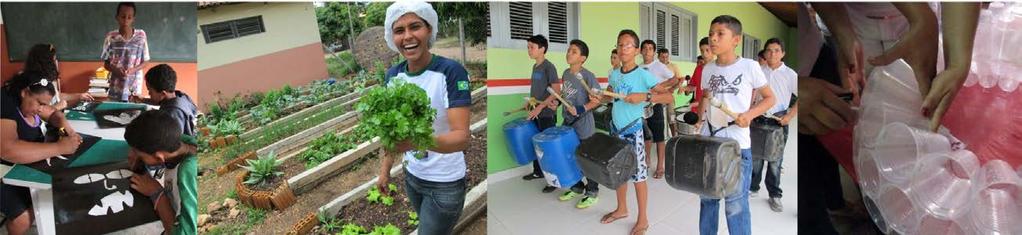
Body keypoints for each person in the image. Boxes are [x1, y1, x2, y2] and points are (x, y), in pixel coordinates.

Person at [375, 1, 472, 234]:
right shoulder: (393, 75)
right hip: (412, 177)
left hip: (445, 184)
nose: (407, 36)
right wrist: (385, 171)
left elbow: (462, 138)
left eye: (415, 26)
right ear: (392, 37)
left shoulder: (450, 72)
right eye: (399, 30)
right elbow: (391, 133)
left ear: (429, 29)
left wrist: (416, 142)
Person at [696, 15, 776, 235]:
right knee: (707, 198)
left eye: (720, 34)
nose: (713, 38)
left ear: (736, 40)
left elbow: (770, 98)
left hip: (737, 145)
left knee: (736, 204)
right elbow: (706, 96)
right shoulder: (708, 68)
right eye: (711, 33)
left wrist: (749, 115)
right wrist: (701, 120)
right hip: (710, 141)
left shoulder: (749, 66)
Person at [598, 29, 676, 235]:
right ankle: (622, 209)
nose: (622, 49)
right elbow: (613, 97)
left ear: (637, 51)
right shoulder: (614, 73)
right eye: (619, 44)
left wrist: (645, 97)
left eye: (627, 45)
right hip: (615, 130)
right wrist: (601, 97)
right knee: (618, 172)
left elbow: (668, 97)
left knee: (639, 176)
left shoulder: (643, 75)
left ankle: (643, 220)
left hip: (633, 131)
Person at [1, 71, 82, 235]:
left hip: (20, 168)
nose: (40, 109)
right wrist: (60, 148)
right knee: (22, 219)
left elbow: (53, 113)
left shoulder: (31, 103)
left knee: (54, 193)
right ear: (24, 92)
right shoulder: (5, 104)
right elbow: (7, 150)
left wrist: (68, 129)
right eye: (39, 103)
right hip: (4, 171)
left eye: (43, 104)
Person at [124, 110, 198, 235]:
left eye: (140, 154)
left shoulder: (187, 174)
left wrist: (157, 193)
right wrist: (137, 150)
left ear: (159, 157)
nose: (135, 155)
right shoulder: (180, 140)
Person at [750, 38, 798, 213]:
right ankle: (753, 187)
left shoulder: (790, 74)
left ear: (783, 53)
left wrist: (790, 115)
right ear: (764, 53)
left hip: (778, 121)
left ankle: (774, 194)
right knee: (755, 158)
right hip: (758, 119)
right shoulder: (758, 72)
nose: (772, 54)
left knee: (775, 161)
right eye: (769, 50)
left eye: (777, 50)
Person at [555, 39, 603, 209]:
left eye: (574, 51)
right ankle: (577, 187)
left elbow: (598, 100)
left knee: (586, 158)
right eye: (569, 50)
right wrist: (557, 102)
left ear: (582, 58)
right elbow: (566, 94)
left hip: (583, 124)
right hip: (568, 122)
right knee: (569, 155)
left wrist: (582, 108)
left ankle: (592, 192)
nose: (569, 53)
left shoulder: (588, 76)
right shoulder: (566, 73)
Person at [520, 34, 561, 193]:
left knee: (547, 147)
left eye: (532, 47)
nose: (529, 50)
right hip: (535, 111)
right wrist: (530, 102)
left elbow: (556, 91)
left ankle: (552, 181)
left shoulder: (549, 67)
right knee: (535, 143)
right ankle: (538, 172)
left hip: (546, 114)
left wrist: (539, 107)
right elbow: (537, 91)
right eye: (528, 47)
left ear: (542, 49)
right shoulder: (535, 67)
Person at [637, 40, 674, 179]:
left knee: (659, 137)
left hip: (656, 105)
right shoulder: (638, 67)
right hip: (642, 106)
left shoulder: (659, 66)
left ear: (654, 52)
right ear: (640, 51)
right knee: (645, 136)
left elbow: (674, 79)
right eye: (645, 48)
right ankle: (646, 162)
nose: (647, 51)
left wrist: (658, 88)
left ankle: (660, 166)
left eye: (650, 48)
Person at [102, 2, 150, 102]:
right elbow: (106, 64)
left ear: (133, 19)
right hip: (116, 85)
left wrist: (133, 70)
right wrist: (116, 70)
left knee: (133, 113)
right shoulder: (111, 36)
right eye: (123, 16)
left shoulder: (141, 35)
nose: (126, 20)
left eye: (129, 17)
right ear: (117, 17)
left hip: (134, 86)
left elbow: (146, 61)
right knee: (114, 114)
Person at [23, 43, 93, 110]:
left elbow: (56, 96)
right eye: (53, 60)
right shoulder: (36, 83)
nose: (56, 62)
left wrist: (79, 96)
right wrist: (57, 107)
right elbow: (37, 112)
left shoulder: (47, 78)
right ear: (46, 62)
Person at [143, 64, 198, 136]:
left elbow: (173, 141)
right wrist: (142, 100)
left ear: (163, 93)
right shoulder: (179, 96)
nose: (149, 93)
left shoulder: (173, 114)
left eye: (150, 90)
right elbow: (159, 101)